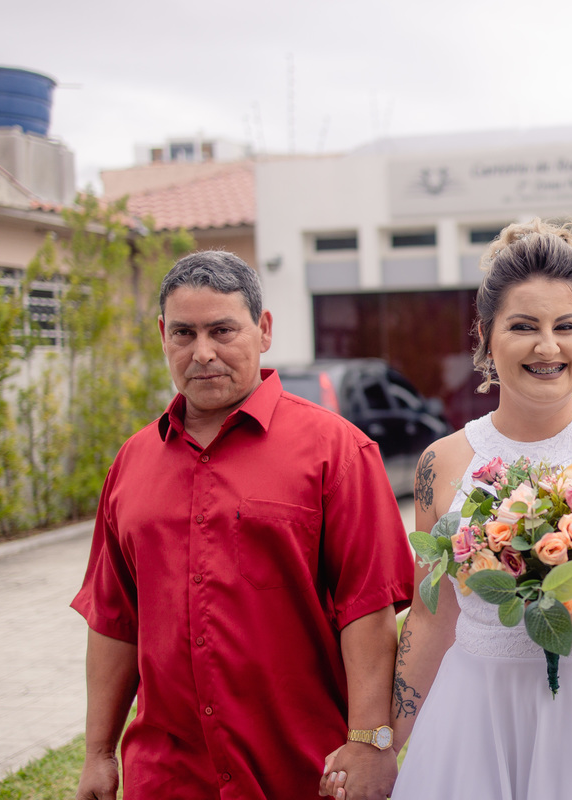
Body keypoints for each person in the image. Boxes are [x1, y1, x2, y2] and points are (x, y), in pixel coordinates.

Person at [322, 218, 572, 799]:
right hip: (476, 717)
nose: (548, 346)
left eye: (566, 326)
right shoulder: (441, 462)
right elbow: (433, 618)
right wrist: (382, 744)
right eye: (523, 326)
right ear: (486, 337)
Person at [71, 251, 414, 800]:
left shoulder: (337, 452)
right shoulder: (131, 464)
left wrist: (370, 742)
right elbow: (115, 620)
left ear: (264, 329)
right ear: (163, 335)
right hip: (167, 777)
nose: (203, 352)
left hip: (302, 769)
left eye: (222, 330)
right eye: (184, 333)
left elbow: (367, 610)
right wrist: (97, 753)